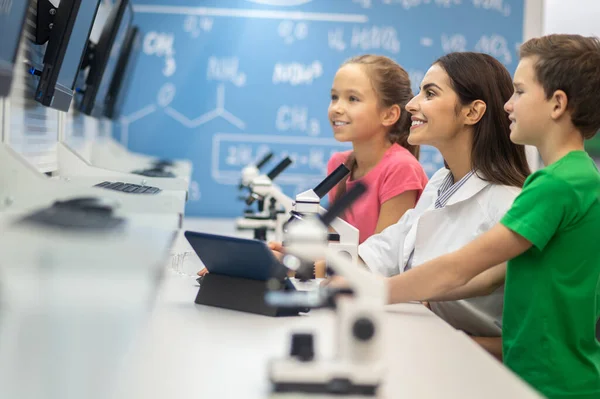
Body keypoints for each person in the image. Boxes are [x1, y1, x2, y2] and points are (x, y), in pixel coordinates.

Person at [379, 34, 600, 398]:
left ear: (557, 104)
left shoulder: (554, 185)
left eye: (519, 92)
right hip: (561, 375)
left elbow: (462, 266)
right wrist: (425, 297)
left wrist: (375, 293)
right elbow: (490, 277)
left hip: (548, 382)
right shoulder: (582, 175)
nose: (508, 105)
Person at [275, 52, 531, 359]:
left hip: (469, 367)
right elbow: (389, 248)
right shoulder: (440, 182)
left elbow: (474, 293)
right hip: (423, 344)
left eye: (430, 93)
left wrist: (386, 288)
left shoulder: (508, 204)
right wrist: (295, 263)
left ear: (472, 112)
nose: (412, 104)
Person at [325, 54, 428, 244]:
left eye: (353, 98)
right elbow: (333, 243)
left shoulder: (401, 169)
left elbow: (381, 258)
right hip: (342, 272)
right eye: (334, 97)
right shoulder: (338, 164)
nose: (337, 108)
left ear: (389, 115)